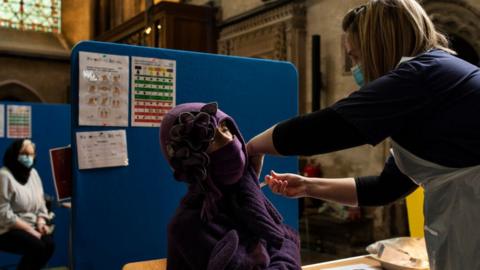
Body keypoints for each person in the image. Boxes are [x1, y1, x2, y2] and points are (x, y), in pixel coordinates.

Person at [246, 0, 480, 269]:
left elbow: (327, 127)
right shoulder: (435, 87)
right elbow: (387, 187)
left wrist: (253, 147)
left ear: (379, 48)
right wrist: (307, 186)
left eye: (356, 56)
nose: (355, 67)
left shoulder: (424, 75)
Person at [160, 102, 301, 269]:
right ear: (193, 160)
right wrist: (288, 243)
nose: (230, 141)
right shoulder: (189, 226)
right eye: (212, 138)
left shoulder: (243, 200)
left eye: (226, 128)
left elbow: (278, 239)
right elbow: (284, 239)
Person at [0, 139, 55, 270]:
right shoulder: (4, 176)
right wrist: (31, 230)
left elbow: (41, 202)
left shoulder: (33, 173)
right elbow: (3, 213)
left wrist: (41, 222)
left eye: (31, 154)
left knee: (49, 245)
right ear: (15, 154)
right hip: (7, 228)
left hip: (31, 224)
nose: (28, 158)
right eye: (24, 153)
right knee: (37, 247)